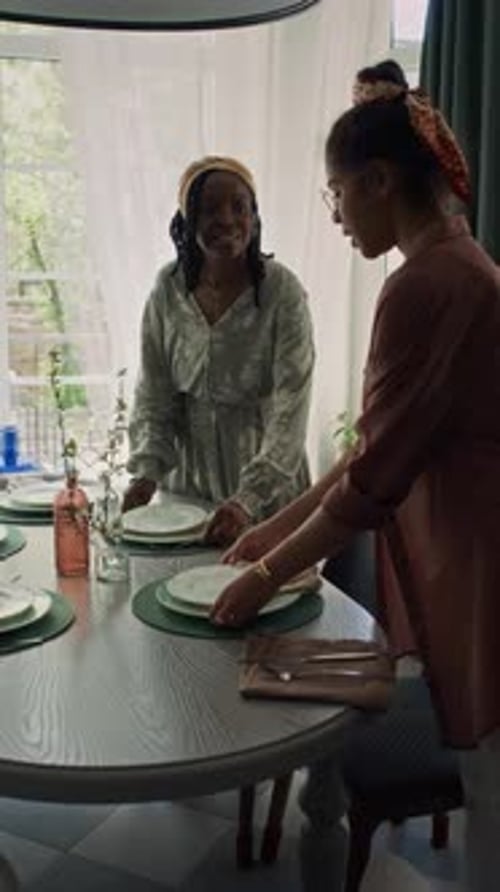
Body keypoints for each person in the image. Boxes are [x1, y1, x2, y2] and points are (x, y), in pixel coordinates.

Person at [210, 61, 500, 892]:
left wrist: (265, 575)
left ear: (377, 180)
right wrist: (271, 534)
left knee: (494, 798)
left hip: (482, 554)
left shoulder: (424, 286)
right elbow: (377, 446)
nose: (334, 214)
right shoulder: (459, 264)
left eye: (337, 193)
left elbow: (373, 480)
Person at [123, 156, 314, 546]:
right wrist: (145, 475)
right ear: (185, 221)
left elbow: (290, 408)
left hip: (267, 493)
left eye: (239, 207)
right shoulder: (167, 290)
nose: (226, 219)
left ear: (255, 217)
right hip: (188, 494)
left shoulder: (282, 292)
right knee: (180, 596)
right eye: (209, 209)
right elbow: (154, 394)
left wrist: (247, 499)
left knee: (263, 599)